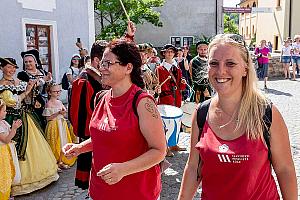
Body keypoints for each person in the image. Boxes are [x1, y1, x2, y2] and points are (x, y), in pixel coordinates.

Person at [178, 34, 297, 199]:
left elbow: (285, 169)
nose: (221, 71)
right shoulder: (201, 113)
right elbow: (193, 167)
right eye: (214, 63)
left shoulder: (266, 112)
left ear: (245, 68)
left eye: (230, 63)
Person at [63, 39, 166, 200]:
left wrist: (124, 169)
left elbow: (159, 151)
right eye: (101, 63)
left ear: (128, 67)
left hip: (136, 193)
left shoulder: (143, 103)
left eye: (108, 64)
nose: (101, 68)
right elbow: (105, 137)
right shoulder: (101, 97)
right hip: (100, 191)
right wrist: (80, 147)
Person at [0, 57, 58, 196]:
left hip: (25, 116)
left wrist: (33, 89)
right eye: (9, 67)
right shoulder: (2, 85)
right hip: (10, 118)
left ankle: (41, 174)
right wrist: (27, 90)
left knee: (33, 145)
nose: (12, 70)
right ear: (2, 68)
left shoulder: (19, 81)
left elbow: (31, 95)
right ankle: (14, 181)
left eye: (14, 67)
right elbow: (14, 101)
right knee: (15, 146)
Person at [43, 83, 76, 171]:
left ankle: (62, 160)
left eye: (59, 91)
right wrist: (58, 113)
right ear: (50, 93)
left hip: (62, 124)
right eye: (55, 91)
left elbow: (63, 113)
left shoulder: (60, 102)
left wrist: (64, 112)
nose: (58, 93)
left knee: (63, 141)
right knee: (55, 142)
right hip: (54, 125)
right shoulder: (49, 104)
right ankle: (56, 161)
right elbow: (48, 118)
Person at [17, 49, 52, 130]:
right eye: (26, 62)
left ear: (35, 62)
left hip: (46, 103)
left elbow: (50, 88)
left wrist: (49, 81)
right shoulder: (22, 75)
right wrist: (43, 80)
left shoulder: (43, 73)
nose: (28, 64)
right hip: (31, 105)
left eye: (30, 61)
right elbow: (29, 87)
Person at [0, 99, 22, 200]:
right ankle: (3, 194)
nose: (6, 112)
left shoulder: (3, 122)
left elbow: (10, 135)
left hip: (7, 151)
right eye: (4, 111)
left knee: (9, 171)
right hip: (2, 152)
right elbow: (7, 139)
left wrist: (13, 128)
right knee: (3, 172)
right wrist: (14, 129)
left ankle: (7, 192)